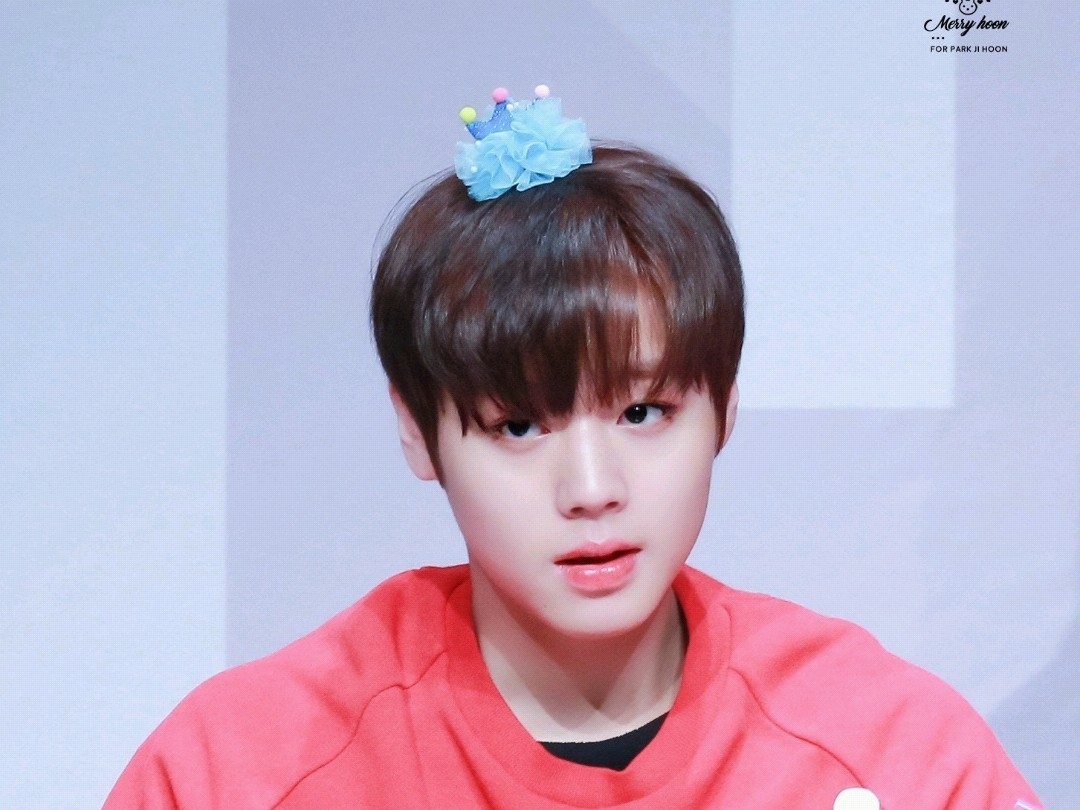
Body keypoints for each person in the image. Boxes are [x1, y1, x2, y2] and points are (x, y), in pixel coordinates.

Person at [104, 87, 1042, 809]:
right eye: (519, 426)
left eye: (644, 413)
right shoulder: (244, 768)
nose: (592, 489)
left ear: (724, 407)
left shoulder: (888, 750)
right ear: (416, 429)